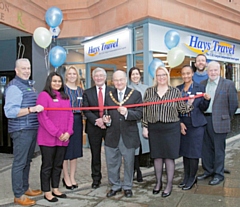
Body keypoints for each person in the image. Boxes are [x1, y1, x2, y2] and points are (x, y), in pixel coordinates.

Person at [142, 66, 194, 198]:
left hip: (171, 128)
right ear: (155, 77)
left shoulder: (175, 91)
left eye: (164, 75)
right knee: (157, 157)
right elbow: (145, 111)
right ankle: (158, 183)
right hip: (155, 128)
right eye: (159, 75)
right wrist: (145, 126)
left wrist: (189, 103)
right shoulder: (149, 91)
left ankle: (169, 184)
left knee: (169, 158)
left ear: (167, 76)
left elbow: (182, 109)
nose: (161, 78)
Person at [4, 58, 44, 206]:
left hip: (31, 128)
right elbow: (10, 112)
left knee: (27, 161)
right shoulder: (14, 87)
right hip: (21, 130)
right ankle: (18, 194)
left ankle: (25, 188)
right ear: (16, 70)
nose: (27, 71)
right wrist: (31, 109)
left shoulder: (28, 85)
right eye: (23, 68)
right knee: (19, 163)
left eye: (28, 68)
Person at [197, 61, 238, 185]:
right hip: (205, 120)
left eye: (215, 70)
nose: (213, 72)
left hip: (220, 121)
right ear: (207, 71)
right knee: (206, 149)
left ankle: (218, 174)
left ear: (219, 70)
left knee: (219, 149)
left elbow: (234, 104)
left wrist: (226, 117)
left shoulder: (228, 84)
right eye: (210, 70)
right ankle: (208, 170)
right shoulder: (202, 84)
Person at [103, 70, 143, 198]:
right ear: (113, 82)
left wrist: (126, 113)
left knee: (128, 163)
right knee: (112, 163)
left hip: (128, 135)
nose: (119, 82)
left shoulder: (135, 94)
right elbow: (106, 113)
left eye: (121, 79)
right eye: (116, 80)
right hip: (111, 135)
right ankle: (115, 186)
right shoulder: (108, 95)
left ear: (126, 80)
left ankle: (127, 186)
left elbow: (139, 114)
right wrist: (106, 120)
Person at [37, 72, 74, 202]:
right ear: (49, 82)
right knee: (47, 165)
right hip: (48, 138)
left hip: (63, 138)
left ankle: (55, 188)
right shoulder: (44, 95)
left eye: (59, 81)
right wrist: (58, 133)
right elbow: (43, 118)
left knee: (58, 164)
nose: (57, 83)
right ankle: (46, 191)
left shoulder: (65, 97)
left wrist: (69, 132)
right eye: (54, 81)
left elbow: (70, 115)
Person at [176, 65, 210, 190]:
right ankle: (186, 177)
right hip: (183, 123)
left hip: (196, 124)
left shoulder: (200, 87)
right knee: (185, 152)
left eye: (188, 73)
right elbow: (175, 109)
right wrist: (179, 122)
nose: (186, 76)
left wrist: (207, 101)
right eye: (183, 73)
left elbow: (203, 108)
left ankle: (192, 178)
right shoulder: (178, 89)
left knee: (193, 153)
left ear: (192, 74)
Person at [82, 67, 113, 189]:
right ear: (93, 78)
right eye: (96, 76)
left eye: (101, 75)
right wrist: (97, 120)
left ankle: (113, 178)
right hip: (94, 127)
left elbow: (114, 108)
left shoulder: (112, 91)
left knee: (111, 154)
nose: (99, 78)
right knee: (95, 155)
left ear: (105, 77)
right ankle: (96, 179)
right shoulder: (87, 92)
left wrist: (105, 119)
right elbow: (85, 109)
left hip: (109, 126)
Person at [62, 66, 84, 190]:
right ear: (66, 76)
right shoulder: (62, 90)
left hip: (77, 121)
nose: (71, 76)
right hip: (64, 121)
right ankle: (65, 177)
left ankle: (72, 177)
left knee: (75, 151)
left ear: (77, 76)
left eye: (74, 74)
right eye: (69, 74)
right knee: (65, 151)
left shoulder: (81, 90)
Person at [128, 66, 149, 182]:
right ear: (130, 77)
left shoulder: (146, 88)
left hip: (144, 121)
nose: (135, 76)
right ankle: (136, 170)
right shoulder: (127, 89)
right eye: (133, 74)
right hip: (132, 122)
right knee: (134, 148)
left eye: (137, 74)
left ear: (140, 75)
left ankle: (138, 168)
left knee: (142, 147)